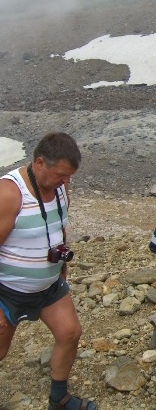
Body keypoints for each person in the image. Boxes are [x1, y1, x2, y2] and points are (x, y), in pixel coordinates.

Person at [0, 132, 97, 410]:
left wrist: (61, 267)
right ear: (39, 162)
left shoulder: (61, 187)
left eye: (69, 177)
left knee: (70, 333)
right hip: (6, 292)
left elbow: (59, 228)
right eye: (61, 175)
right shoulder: (9, 193)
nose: (66, 182)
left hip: (49, 287)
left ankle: (59, 399)